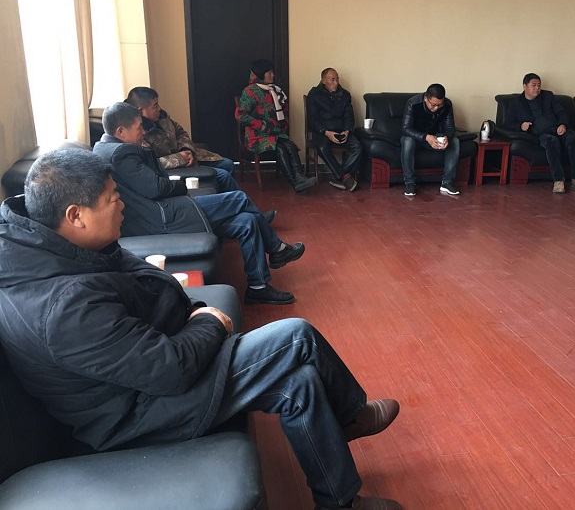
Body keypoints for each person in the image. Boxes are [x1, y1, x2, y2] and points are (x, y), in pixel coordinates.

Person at [0, 149, 402, 510]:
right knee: (296, 337)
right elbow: (169, 371)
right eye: (113, 198)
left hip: (143, 378)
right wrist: (208, 321)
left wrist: (192, 313)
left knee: (300, 382)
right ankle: (351, 414)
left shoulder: (66, 249)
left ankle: (339, 501)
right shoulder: (63, 305)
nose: (123, 205)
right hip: (132, 415)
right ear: (76, 215)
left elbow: (149, 292)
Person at [93, 102, 302, 305]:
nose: (143, 132)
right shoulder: (121, 154)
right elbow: (155, 187)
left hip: (166, 210)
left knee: (247, 221)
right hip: (163, 218)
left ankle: (258, 287)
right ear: (121, 131)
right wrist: (181, 186)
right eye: (139, 127)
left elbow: (152, 184)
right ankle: (276, 249)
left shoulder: (107, 149)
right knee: (239, 198)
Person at [125, 86, 239, 194]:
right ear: (141, 111)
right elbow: (151, 164)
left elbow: (180, 132)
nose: (159, 108)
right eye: (155, 106)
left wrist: (186, 149)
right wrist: (180, 158)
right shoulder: (136, 132)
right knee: (224, 176)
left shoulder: (162, 117)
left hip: (189, 156)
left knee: (228, 164)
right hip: (174, 168)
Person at [236, 59, 318, 194]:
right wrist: (261, 125)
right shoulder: (250, 91)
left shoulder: (275, 90)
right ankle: (295, 183)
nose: (273, 75)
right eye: (269, 72)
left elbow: (283, 111)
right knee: (280, 148)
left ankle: (300, 178)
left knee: (290, 145)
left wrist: (284, 124)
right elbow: (241, 115)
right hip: (257, 135)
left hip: (275, 132)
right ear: (261, 74)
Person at [503, 73, 575, 194]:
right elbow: (507, 124)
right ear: (524, 86)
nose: (537, 88)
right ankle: (558, 180)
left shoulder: (548, 96)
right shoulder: (516, 102)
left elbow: (561, 112)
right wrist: (520, 126)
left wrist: (563, 124)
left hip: (558, 129)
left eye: (539, 85)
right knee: (552, 142)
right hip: (540, 134)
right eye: (533, 85)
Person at [306, 68, 363, 191]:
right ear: (323, 80)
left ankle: (338, 177)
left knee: (357, 147)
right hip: (323, 132)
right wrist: (326, 132)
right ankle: (344, 176)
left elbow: (349, 116)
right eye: (332, 80)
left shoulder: (345, 95)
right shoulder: (314, 94)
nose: (336, 83)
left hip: (341, 131)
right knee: (322, 147)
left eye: (337, 79)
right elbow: (313, 119)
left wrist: (347, 130)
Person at [400, 83, 461, 197]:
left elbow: (450, 128)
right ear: (425, 98)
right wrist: (426, 137)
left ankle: (447, 182)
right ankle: (410, 183)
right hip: (416, 138)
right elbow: (405, 129)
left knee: (455, 141)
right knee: (407, 141)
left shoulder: (447, 104)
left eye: (439, 105)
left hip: (435, 137)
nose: (436, 108)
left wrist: (447, 137)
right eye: (433, 105)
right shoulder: (413, 103)